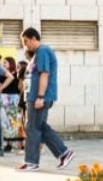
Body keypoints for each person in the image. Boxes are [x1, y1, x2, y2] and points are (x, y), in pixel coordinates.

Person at [17, 27, 73, 170]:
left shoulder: (43, 51)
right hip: (36, 96)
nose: (25, 45)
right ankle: (63, 153)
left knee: (32, 127)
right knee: (39, 126)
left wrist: (40, 96)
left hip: (40, 96)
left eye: (26, 41)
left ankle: (32, 162)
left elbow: (44, 74)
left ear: (33, 38)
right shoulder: (39, 52)